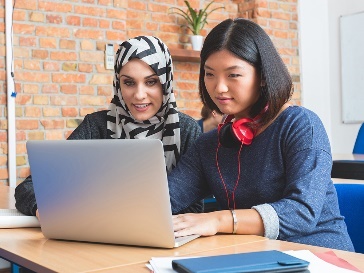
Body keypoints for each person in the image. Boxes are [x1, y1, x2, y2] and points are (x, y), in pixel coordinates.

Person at [167, 18, 355, 251]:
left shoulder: (300, 125)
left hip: (320, 254)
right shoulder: (209, 145)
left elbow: (302, 212)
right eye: (210, 74)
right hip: (254, 255)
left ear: (263, 76)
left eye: (233, 75)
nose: (219, 88)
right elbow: (167, 199)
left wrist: (218, 219)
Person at [15, 36, 203, 217]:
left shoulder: (185, 129)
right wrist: (45, 210)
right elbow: (29, 187)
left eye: (151, 82)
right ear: (117, 84)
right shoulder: (97, 126)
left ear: (165, 82)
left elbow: (194, 207)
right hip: (99, 236)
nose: (139, 95)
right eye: (129, 82)